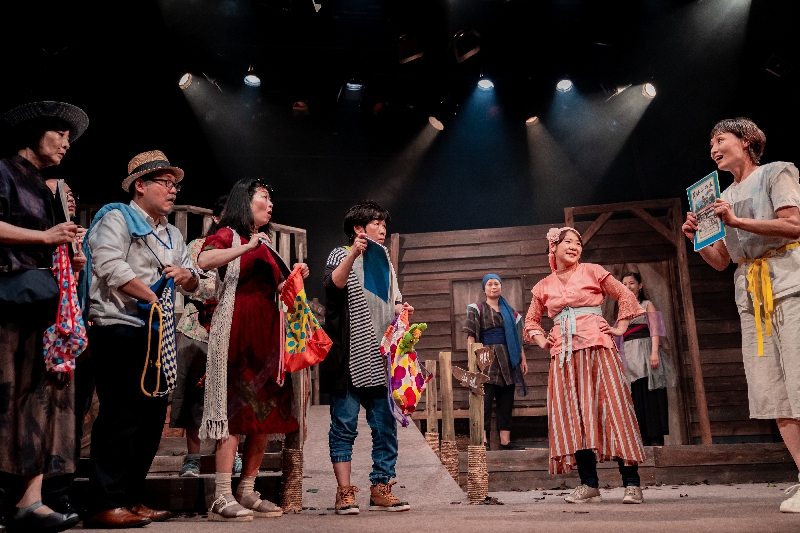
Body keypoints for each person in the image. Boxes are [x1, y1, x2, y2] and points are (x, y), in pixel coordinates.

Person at [682, 117, 800, 513]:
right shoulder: (721, 197)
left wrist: (736, 220)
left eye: (720, 140)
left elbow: (794, 224)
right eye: (710, 144)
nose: (713, 149)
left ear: (747, 140)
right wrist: (697, 239)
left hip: (789, 284)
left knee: (799, 381)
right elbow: (721, 261)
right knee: (773, 391)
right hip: (750, 296)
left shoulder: (776, 172)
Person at [83, 150, 199, 528]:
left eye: (175, 184)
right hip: (119, 326)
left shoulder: (172, 232)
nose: (173, 190)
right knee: (120, 416)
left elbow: (193, 279)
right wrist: (152, 296)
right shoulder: (116, 217)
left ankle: (132, 498)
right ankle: (106, 502)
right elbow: (109, 265)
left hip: (157, 333)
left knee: (150, 419)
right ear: (140, 185)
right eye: (165, 183)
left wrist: (185, 276)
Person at [0, 101, 87, 532]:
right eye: (60, 134)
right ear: (34, 133)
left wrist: (70, 253)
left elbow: (51, 243)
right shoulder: (3, 171)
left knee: (39, 400)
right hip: (8, 302)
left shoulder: (45, 186)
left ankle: (29, 502)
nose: (67, 143)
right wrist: (44, 236)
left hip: (41, 304)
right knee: (6, 397)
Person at [196, 179, 306, 521]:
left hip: (266, 332)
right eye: (264, 197)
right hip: (236, 327)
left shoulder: (268, 245)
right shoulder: (228, 234)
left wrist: (294, 277)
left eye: (271, 199)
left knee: (263, 412)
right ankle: (221, 495)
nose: (270, 204)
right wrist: (246, 247)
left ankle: (246, 489)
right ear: (245, 201)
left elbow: (279, 288)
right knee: (234, 410)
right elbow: (204, 260)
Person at [524, 227, 646, 504]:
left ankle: (632, 483)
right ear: (553, 248)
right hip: (564, 357)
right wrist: (543, 341)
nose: (574, 247)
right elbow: (531, 321)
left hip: (598, 349)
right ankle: (589, 484)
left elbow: (625, 295)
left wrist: (620, 327)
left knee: (613, 409)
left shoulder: (593, 271)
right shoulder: (543, 286)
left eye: (578, 243)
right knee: (573, 416)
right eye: (567, 242)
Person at [321, 200, 414, 515]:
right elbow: (333, 286)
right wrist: (354, 254)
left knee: (385, 427)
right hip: (348, 359)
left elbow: (392, 301)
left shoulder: (384, 259)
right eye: (377, 223)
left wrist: (402, 310)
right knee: (344, 426)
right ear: (358, 228)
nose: (383, 229)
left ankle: (381, 487)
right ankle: (344, 492)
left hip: (380, 358)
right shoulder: (340, 254)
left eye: (384, 224)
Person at [39, 178, 94, 516]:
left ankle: (60, 493)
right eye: (60, 194)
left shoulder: (81, 238)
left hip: (78, 337)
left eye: (71, 194)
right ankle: (40, 496)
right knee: (44, 417)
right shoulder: (40, 236)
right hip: (47, 334)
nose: (68, 198)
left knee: (72, 416)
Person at [170, 194, 229, 478]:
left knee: (228, 395)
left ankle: (230, 454)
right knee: (193, 394)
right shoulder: (198, 246)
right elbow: (187, 284)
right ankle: (193, 457)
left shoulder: (242, 248)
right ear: (215, 218)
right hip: (198, 326)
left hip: (229, 329)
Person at [463, 273, 528, 450]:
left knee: (506, 400)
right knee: (484, 399)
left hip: (508, 358)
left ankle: (505, 441)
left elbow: (517, 338)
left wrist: (522, 359)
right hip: (486, 358)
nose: (494, 287)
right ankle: (483, 440)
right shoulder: (477, 309)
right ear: (484, 289)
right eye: (490, 284)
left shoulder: (511, 313)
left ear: (501, 287)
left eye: (497, 284)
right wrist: (472, 360)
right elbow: (471, 336)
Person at [618, 272, 673, 446]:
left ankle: (655, 437)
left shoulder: (647, 304)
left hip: (645, 350)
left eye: (631, 283)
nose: (628, 287)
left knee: (651, 393)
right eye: (624, 284)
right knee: (636, 394)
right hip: (629, 353)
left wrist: (654, 352)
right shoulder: (622, 307)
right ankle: (642, 437)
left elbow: (655, 329)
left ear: (640, 285)